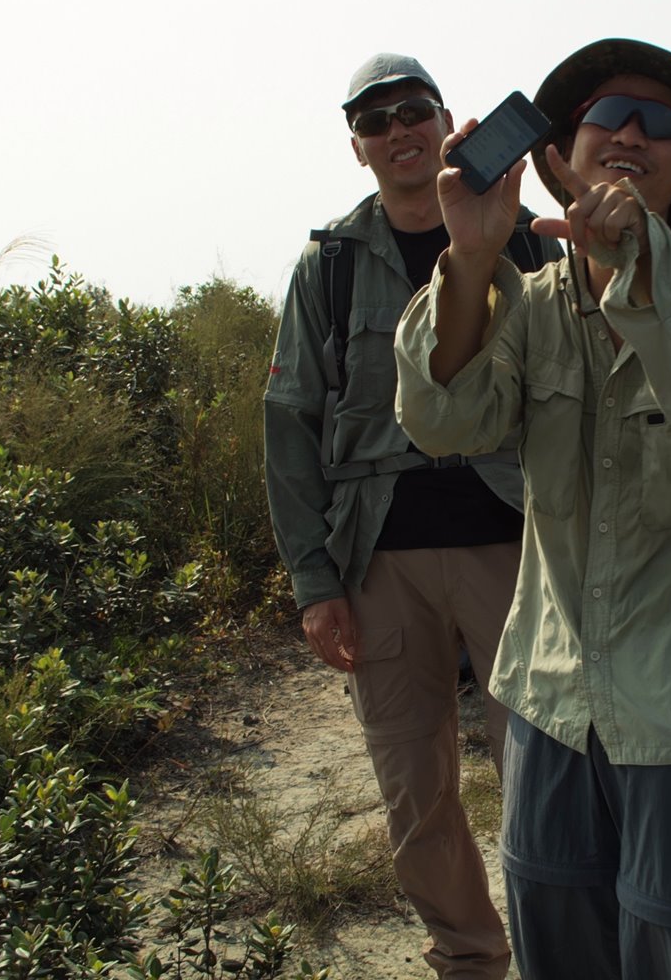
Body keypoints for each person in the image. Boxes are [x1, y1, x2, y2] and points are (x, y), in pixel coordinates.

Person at [394, 39, 671, 979]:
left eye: (660, 125)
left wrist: (643, 268)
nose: (630, 135)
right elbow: (442, 419)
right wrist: (470, 256)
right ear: (558, 155)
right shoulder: (528, 302)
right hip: (550, 709)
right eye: (606, 118)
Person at [263, 52, 555, 980]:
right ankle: (469, 957)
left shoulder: (525, 242)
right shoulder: (330, 264)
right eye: (375, 121)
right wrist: (315, 584)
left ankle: (561, 951)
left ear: (444, 120)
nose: (398, 131)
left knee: (545, 778)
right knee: (412, 791)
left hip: (516, 545)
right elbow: (289, 422)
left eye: (414, 111)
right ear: (357, 146)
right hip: (378, 561)